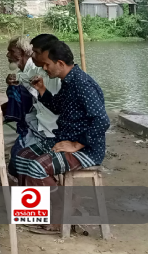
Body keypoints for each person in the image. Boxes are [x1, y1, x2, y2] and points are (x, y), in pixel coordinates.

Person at [16, 41, 110, 233]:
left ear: (60, 63)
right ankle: (33, 214)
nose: (44, 68)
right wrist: (42, 89)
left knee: (37, 167)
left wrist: (77, 144)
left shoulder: (83, 84)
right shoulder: (68, 81)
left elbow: (102, 121)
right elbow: (58, 106)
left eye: (47, 64)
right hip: (64, 139)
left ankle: (62, 212)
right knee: (22, 156)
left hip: (88, 150)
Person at [3, 35, 62, 179]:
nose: (31, 55)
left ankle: (53, 195)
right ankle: (31, 195)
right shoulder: (34, 71)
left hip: (48, 131)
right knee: (20, 159)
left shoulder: (47, 73)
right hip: (38, 126)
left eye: (34, 52)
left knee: (20, 161)